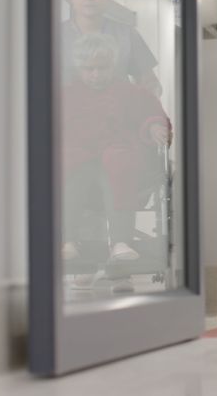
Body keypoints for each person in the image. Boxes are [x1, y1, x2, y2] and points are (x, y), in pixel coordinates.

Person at [61, 33, 173, 268]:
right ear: (78, 68)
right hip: (79, 158)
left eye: (101, 68)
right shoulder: (67, 95)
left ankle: (121, 241)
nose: (95, 75)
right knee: (70, 172)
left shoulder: (130, 92)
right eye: (88, 69)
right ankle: (67, 240)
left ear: (112, 65)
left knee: (117, 169)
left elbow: (151, 111)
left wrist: (154, 126)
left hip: (117, 156)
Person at [62, 0, 162, 96]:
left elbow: (149, 82)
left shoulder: (127, 34)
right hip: (66, 113)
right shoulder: (52, 36)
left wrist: (149, 102)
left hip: (119, 112)